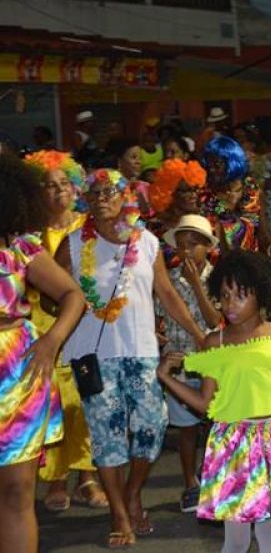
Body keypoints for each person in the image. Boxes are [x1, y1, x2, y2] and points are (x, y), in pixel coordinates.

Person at [58, 169, 207, 548]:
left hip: (142, 353)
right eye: (94, 192)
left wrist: (197, 333)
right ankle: (120, 514)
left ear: (126, 195)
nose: (101, 197)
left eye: (110, 191)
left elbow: (168, 295)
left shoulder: (149, 242)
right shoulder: (73, 245)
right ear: (86, 200)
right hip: (94, 356)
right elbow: (54, 294)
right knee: (108, 440)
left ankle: (132, 492)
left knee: (151, 431)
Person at [157, 250, 271, 553]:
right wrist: (166, 378)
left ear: (261, 295)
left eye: (240, 296)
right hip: (233, 444)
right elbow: (204, 403)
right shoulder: (216, 342)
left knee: (270, 535)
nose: (230, 304)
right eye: (223, 296)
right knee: (235, 539)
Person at [0, 154, 87, 553]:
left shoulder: (19, 248)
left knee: (17, 491)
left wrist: (51, 341)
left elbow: (73, 295)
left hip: (16, 374)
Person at [22, 151, 107, 513]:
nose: (57, 192)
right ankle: (56, 479)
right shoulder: (27, 233)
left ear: (75, 188)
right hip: (44, 326)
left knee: (88, 400)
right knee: (56, 403)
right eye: (49, 186)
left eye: (63, 184)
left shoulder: (93, 226)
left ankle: (88, 476)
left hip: (90, 323)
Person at [159, 214, 222, 513]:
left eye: (193, 245)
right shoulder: (168, 282)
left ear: (208, 247)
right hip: (180, 365)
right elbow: (160, 317)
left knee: (215, 426)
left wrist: (197, 285)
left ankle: (215, 477)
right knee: (186, 430)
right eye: (181, 246)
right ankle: (190, 484)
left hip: (213, 365)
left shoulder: (218, 280)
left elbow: (215, 321)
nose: (186, 251)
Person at [200, 136, 264, 252]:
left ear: (231, 162)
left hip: (248, 258)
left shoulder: (250, 188)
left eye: (217, 165)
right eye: (209, 166)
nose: (212, 170)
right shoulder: (206, 193)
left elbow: (256, 230)